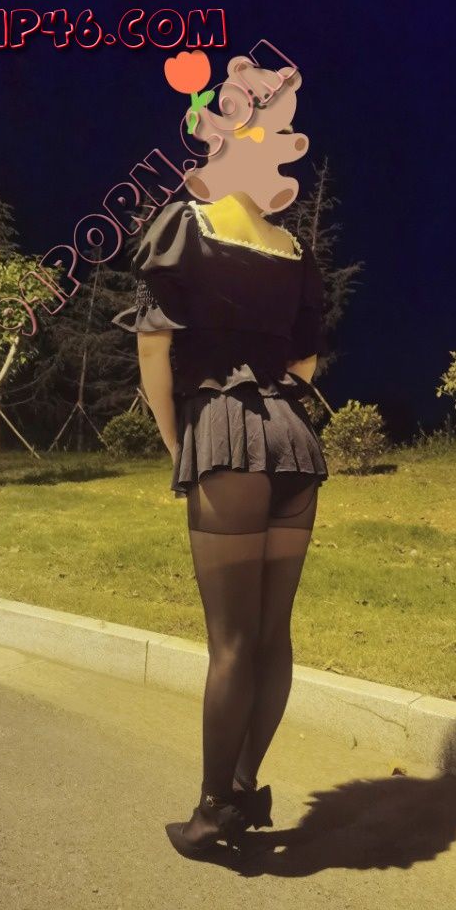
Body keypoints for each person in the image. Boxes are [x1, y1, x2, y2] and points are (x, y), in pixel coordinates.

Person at [112, 190, 329, 858]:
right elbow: (304, 363)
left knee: (231, 642)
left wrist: (175, 438)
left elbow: (153, 348)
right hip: (293, 441)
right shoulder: (293, 249)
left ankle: (213, 814)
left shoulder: (188, 225)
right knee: (272, 634)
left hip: (225, 434)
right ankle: (244, 787)